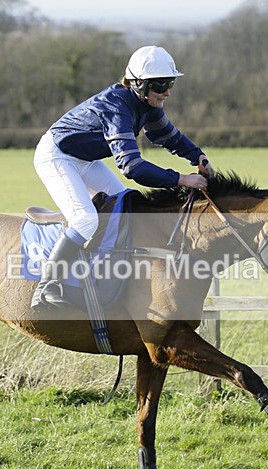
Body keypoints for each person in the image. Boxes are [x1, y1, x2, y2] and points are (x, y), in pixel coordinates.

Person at [31, 45, 214, 309]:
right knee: (84, 220)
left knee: (124, 207)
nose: (167, 91)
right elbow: (132, 167)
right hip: (56, 156)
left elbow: (169, 137)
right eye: (161, 85)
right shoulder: (117, 108)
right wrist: (182, 180)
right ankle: (46, 286)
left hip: (84, 159)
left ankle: (109, 272)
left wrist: (198, 157)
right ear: (139, 83)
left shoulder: (147, 104)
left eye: (170, 83)